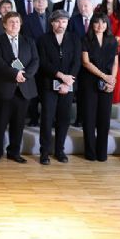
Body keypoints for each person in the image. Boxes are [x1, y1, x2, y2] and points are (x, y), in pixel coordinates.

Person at [0, 12, 39, 164]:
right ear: (4, 24)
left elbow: (35, 61)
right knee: (0, 123)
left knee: (18, 124)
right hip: (4, 87)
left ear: (20, 24)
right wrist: (14, 74)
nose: (14, 25)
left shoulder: (29, 41)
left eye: (17, 22)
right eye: (11, 22)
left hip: (24, 88)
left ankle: (14, 152)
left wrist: (26, 75)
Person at [36, 10, 81, 165]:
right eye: (57, 21)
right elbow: (42, 63)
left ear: (67, 23)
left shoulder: (74, 39)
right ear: (52, 23)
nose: (61, 24)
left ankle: (59, 151)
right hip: (49, 85)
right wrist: (61, 76)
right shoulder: (42, 40)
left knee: (64, 119)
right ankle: (44, 152)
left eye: (64, 21)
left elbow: (77, 62)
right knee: (47, 119)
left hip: (68, 85)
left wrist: (68, 81)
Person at [80, 12, 118, 162]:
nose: (100, 25)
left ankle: (102, 153)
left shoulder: (112, 40)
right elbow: (85, 62)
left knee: (104, 119)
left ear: (107, 24)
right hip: (89, 82)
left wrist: (112, 80)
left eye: (103, 22)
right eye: (96, 22)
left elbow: (115, 62)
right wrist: (104, 76)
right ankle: (90, 153)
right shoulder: (86, 39)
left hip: (107, 83)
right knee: (89, 118)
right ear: (92, 24)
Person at [21, 0, 50, 127]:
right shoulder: (27, 19)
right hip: (34, 59)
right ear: (33, 3)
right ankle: (34, 117)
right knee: (33, 90)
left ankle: (48, 118)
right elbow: (27, 39)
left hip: (50, 59)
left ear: (47, 2)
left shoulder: (53, 17)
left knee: (48, 92)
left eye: (43, 0)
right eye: (37, 0)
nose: (40, 3)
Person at [95, 0, 120, 103]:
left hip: (115, 43)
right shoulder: (98, 8)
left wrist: (112, 42)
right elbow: (95, 25)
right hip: (100, 42)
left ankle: (115, 97)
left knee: (115, 70)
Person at [68, 0, 95, 127]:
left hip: (95, 63)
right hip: (78, 62)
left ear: (92, 6)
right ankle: (79, 119)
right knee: (80, 93)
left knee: (92, 92)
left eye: (85, 6)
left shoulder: (99, 20)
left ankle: (92, 120)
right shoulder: (73, 20)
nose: (83, 8)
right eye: (80, 6)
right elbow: (69, 40)